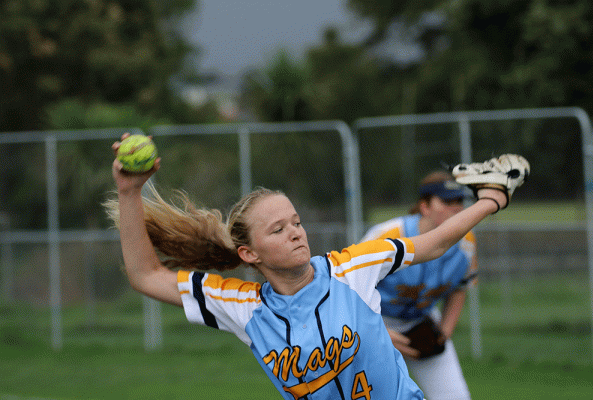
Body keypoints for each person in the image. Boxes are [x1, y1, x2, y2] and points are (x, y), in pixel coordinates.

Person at [104, 133, 527, 400]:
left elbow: (434, 243)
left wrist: (491, 200)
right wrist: (129, 193)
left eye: (296, 222)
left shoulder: (350, 268)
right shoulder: (243, 307)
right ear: (250, 254)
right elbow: (145, 276)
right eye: (277, 230)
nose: (295, 233)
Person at [360, 171, 476, 400]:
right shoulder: (389, 236)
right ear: (425, 207)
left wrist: (444, 333)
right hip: (372, 321)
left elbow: (459, 288)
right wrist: (375, 332)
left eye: (459, 201)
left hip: (421, 320)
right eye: (447, 201)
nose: (456, 208)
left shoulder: (467, 243)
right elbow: (348, 290)